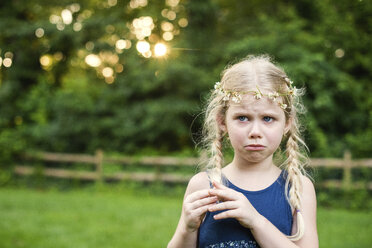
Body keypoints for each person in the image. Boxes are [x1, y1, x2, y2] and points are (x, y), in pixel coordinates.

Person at [167, 55, 318, 248]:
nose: (255, 132)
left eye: (268, 118)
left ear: (287, 123)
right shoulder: (203, 187)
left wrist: (256, 221)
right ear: (222, 122)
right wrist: (186, 229)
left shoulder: (297, 189)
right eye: (243, 118)